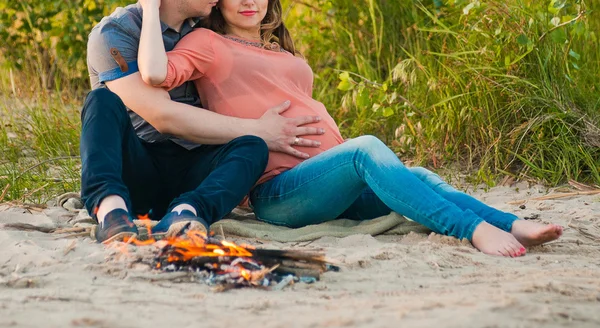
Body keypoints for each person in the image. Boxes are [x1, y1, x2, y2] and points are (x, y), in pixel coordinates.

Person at [137, 0, 563, 257]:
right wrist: (150, 6)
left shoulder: (275, 46)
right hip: (280, 191)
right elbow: (155, 73)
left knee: (418, 177)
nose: (249, 1)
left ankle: (509, 222)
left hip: (327, 183)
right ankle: (475, 230)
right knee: (366, 149)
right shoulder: (208, 44)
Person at [83, 0, 325, 242]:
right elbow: (162, 116)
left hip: (196, 171)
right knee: (101, 100)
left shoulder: (206, 27)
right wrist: (260, 129)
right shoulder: (115, 32)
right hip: (138, 168)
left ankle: (187, 212)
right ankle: (110, 211)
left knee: (252, 146)